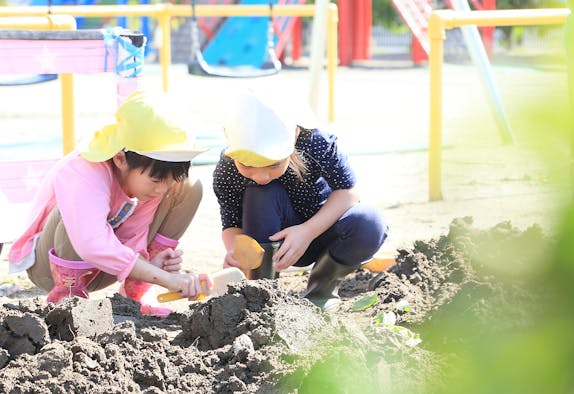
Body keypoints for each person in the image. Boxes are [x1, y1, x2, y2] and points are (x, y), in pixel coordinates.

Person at [7, 90, 210, 317]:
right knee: (74, 213)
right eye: (156, 179)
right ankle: (69, 303)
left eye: (168, 180)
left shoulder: (147, 187)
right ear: (121, 158)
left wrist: (152, 264)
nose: (162, 189)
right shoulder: (83, 170)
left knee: (189, 187)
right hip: (52, 267)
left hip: (105, 268)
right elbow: (91, 244)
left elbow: (135, 234)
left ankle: (134, 297)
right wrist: (167, 279)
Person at [213, 91, 388, 312]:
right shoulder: (228, 166)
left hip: (326, 232)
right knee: (261, 192)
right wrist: (235, 250)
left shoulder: (315, 142)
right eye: (247, 166)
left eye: (273, 164)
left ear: (294, 136)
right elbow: (231, 225)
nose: (261, 176)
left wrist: (306, 232)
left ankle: (321, 291)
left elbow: (349, 192)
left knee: (370, 223)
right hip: (273, 244)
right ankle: (261, 295)